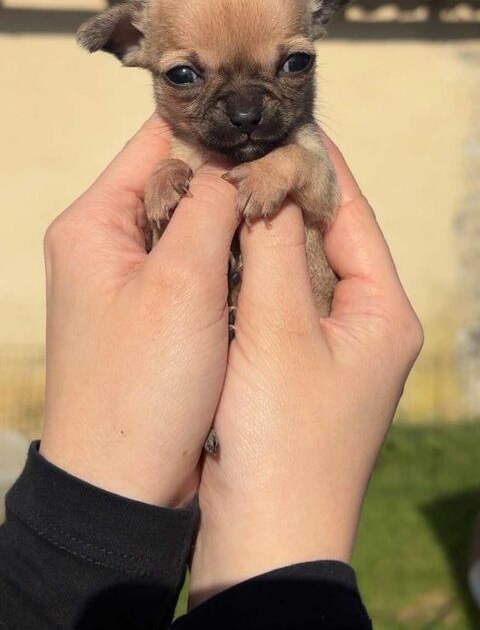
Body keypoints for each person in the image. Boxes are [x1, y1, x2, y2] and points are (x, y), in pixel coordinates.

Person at [0, 115, 423, 629]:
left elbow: (316, 179)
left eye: (291, 72)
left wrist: (89, 510)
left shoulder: (298, 142)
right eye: (185, 78)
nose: (245, 110)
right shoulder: (181, 149)